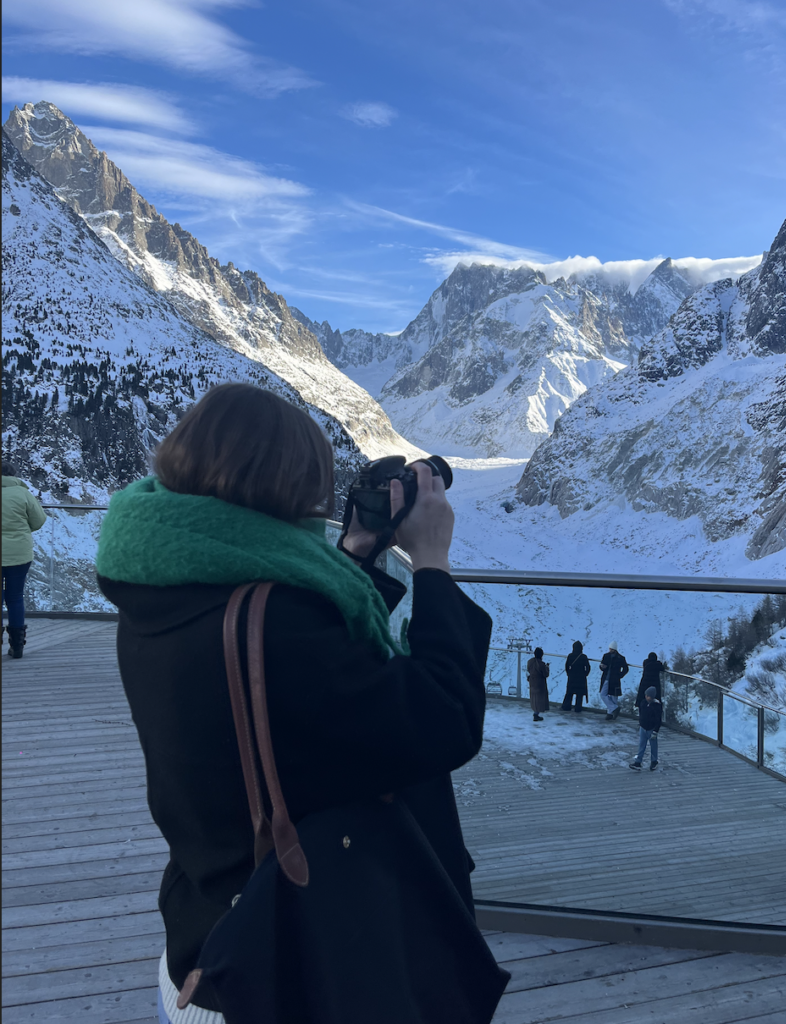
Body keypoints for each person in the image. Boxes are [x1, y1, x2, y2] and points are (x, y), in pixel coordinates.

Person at [95, 383, 507, 1023]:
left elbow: (305, 695)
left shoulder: (163, 578)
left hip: (206, 924)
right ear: (284, 489)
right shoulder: (273, 625)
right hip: (282, 962)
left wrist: (355, 554)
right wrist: (431, 561)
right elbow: (442, 718)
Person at [2, 460, 47, 659]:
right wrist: (22, 530)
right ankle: (17, 646)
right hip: (19, 553)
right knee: (15, 597)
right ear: (13, 474)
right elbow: (39, 520)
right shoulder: (23, 493)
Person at [630, 686, 662, 770]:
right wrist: (640, 723)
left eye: (648, 696)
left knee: (653, 746)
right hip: (643, 727)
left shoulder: (656, 706)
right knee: (641, 745)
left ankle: (654, 761)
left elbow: (658, 719)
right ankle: (638, 762)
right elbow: (641, 713)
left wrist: (655, 731)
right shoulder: (643, 703)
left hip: (651, 728)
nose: (646, 697)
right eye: (646, 695)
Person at [599, 641, 628, 720]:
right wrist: (602, 667)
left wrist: (619, 675)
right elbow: (601, 665)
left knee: (613, 697)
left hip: (613, 679)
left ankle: (610, 713)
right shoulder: (607, 656)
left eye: (611, 649)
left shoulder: (620, 658)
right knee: (604, 694)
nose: (610, 650)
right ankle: (614, 709)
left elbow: (626, 669)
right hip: (608, 678)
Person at [562, 640, 590, 712]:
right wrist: (585, 674)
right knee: (579, 694)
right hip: (581, 678)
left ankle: (566, 706)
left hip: (572, 677)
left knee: (569, 693)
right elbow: (588, 667)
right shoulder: (583, 657)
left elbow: (567, 666)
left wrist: (569, 674)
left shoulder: (570, 656)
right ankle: (578, 708)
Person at [526, 647, 550, 721]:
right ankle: (536, 714)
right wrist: (547, 667)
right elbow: (545, 674)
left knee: (534, 698)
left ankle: (535, 712)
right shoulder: (541, 664)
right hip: (540, 684)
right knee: (539, 699)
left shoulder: (530, 662)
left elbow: (529, 670)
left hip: (532, 682)